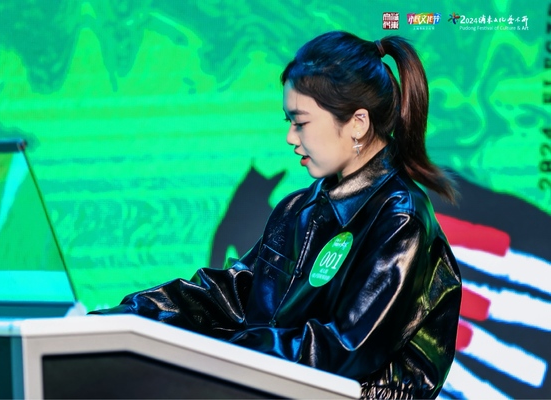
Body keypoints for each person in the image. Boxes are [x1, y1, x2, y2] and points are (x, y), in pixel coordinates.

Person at [91, 31, 462, 399]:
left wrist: (228, 351)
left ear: (358, 124)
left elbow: (345, 351)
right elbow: (231, 295)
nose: (290, 137)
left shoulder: (400, 220)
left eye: (300, 122)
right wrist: (129, 317)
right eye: (289, 122)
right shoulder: (298, 209)